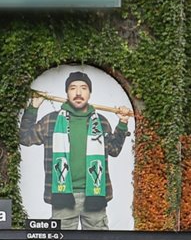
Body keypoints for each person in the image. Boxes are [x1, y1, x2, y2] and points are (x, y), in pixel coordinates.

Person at [18, 70, 131, 230]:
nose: (78, 93)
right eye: (73, 88)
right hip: (63, 196)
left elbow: (114, 149)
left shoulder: (100, 122)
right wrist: (33, 108)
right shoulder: (52, 120)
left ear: (89, 92)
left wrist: (122, 123)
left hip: (95, 195)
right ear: (67, 92)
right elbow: (25, 137)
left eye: (83, 88)